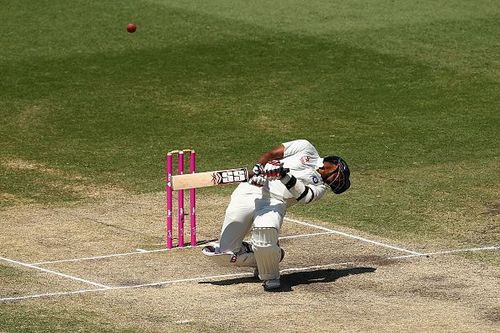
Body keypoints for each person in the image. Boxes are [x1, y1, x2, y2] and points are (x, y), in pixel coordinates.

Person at [202, 139, 350, 291]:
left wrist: (283, 175)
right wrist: (259, 170)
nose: (336, 182)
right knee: (224, 254)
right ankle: (271, 255)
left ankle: (270, 275)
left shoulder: (320, 187)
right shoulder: (306, 148)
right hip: (248, 191)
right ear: (334, 164)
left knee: (265, 231)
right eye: (339, 176)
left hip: (274, 203)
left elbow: (304, 196)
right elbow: (272, 154)